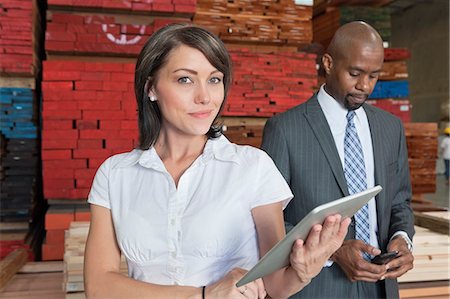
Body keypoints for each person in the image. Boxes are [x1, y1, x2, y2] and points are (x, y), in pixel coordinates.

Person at [84, 23, 350, 299]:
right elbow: (99, 286)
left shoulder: (253, 167)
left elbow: (275, 284)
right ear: (151, 88)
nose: (205, 97)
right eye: (185, 79)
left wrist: (302, 271)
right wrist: (204, 294)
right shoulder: (115, 175)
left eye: (214, 79)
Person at [261, 21, 415, 299]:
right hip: (318, 288)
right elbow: (269, 223)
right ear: (329, 63)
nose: (364, 86)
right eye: (354, 73)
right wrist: (333, 250)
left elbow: (400, 202)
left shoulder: (390, 128)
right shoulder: (285, 129)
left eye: (373, 76)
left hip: (381, 288)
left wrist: (403, 240)